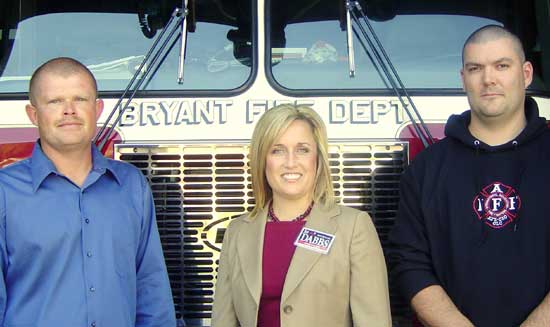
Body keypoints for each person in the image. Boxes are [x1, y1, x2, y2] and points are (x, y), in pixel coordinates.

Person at [388, 25, 550, 326]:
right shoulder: (424, 171)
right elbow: (409, 263)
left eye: (502, 66)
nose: (488, 79)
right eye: (476, 68)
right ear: (463, 79)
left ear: (526, 74)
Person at [0, 57, 176, 326]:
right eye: (55, 101)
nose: (69, 110)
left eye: (80, 99)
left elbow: (151, 287)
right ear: (33, 114)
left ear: (97, 108)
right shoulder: (5, 191)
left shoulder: (131, 186)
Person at [211, 104, 391, 327]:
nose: (290, 162)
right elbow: (223, 321)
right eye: (277, 150)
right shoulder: (237, 232)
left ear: (317, 159)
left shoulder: (353, 228)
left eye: (302, 149)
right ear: (262, 159)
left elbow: (374, 321)